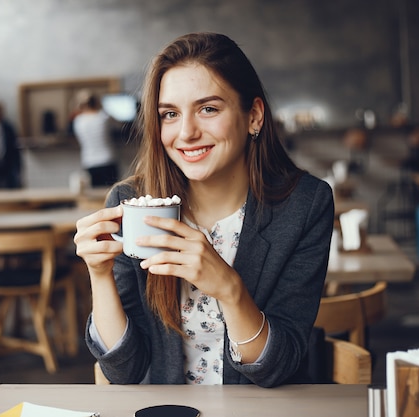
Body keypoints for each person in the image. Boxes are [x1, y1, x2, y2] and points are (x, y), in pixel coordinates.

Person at [74, 32, 334, 387]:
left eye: (208, 109)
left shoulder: (304, 205)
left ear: (254, 116)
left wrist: (228, 288)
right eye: (169, 114)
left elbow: (280, 367)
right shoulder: (130, 204)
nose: (186, 132)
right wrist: (99, 274)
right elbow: (124, 371)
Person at [71, 90, 120, 187]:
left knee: (95, 194)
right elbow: (120, 125)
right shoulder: (104, 117)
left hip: (89, 161)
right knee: (112, 193)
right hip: (108, 160)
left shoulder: (78, 121)